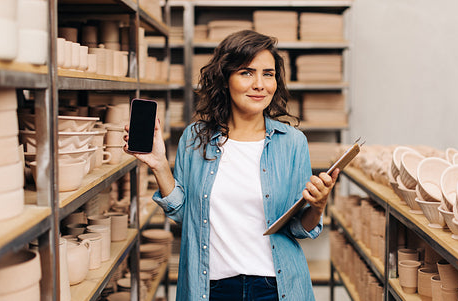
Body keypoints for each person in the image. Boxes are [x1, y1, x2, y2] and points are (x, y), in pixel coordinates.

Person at [124, 30, 339, 301]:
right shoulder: (195, 137)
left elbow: (298, 228)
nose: (260, 84)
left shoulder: (293, 142)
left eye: (268, 74)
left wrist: (318, 206)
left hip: (275, 287)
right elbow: (182, 215)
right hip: (210, 288)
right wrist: (158, 165)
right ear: (225, 79)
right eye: (246, 73)